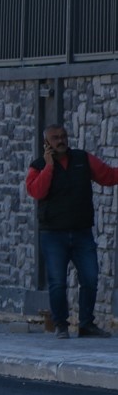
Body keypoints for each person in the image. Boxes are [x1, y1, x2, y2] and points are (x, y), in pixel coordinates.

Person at [25, 125, 118, 339]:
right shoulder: (38, 166)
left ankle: (86, 325)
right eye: (55, 138)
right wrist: (49, 167)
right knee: (57, 282)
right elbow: (36, 191)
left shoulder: (82, 159)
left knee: (91, 278)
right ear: (46, 143)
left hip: (81, 232)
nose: (61, 141)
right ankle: (61, 326)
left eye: (63, 136)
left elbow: (108, 176)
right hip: (53, 234)